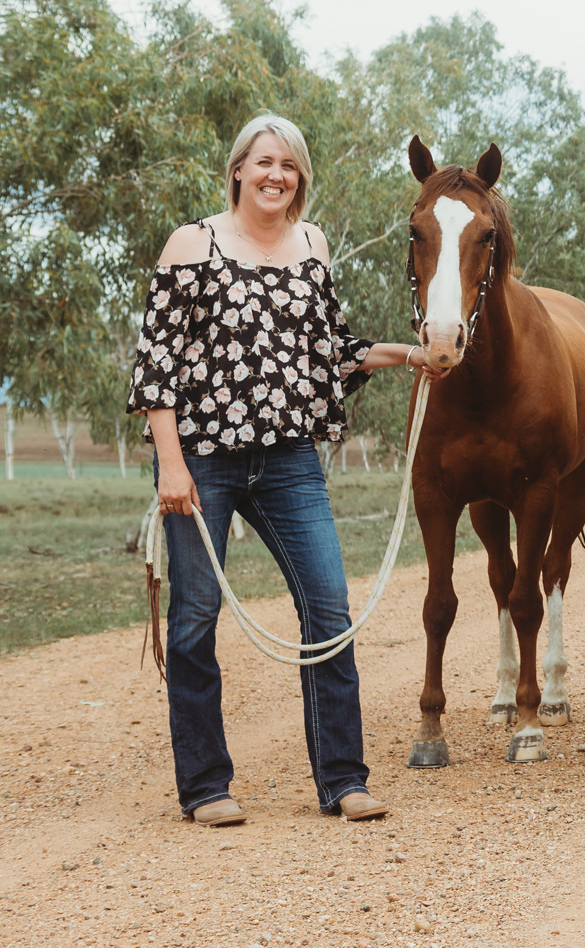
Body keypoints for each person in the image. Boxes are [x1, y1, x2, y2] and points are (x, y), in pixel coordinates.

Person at [128, 113, 440, 828]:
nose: (276, 175)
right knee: (194, 619)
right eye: (265, 162)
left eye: (289, 165)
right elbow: (156, 366)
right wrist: (170, 464)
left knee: (328, 612)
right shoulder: (193, 243)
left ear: (300, 178)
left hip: (290, 461)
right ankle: (205, 786)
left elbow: (331, 350)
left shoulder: (312, 244)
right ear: (238, 169)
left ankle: (344, 779)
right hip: (202, 460)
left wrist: (409, 355)